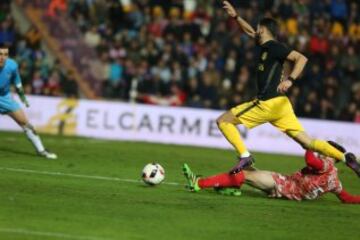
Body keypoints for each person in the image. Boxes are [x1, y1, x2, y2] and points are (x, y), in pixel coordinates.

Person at [216, 1, 359, 176]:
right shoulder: (265, 46)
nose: (255, 30)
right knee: (308, 142)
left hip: (267, 102)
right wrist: (236, 16)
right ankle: (346, 157)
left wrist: (290, 80)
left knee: (223, 121)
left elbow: (302, 58)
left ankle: (245, 156)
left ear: (263, 29)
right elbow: (249, 31)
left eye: (258, 27)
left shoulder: (275, 47)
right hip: (281, 105)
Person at [183, 141, 360, 204]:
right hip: (288, 188)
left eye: (325, 148)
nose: (321, 149)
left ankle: (198, 184)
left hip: (283, 185)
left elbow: (310, 160)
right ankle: (231, 188)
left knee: (244, 173)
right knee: (245, 167)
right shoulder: (335, 180)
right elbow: (346, 198)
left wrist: (308, 145)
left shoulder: (326, 163)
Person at [0, 43, 57, 159]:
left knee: (26, 124)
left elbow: (17, 80)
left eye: (5, 54)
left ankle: (41, 151)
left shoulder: (12, 65)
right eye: (0, 54)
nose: (2, 57)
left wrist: (22, 96)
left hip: (5, 98)